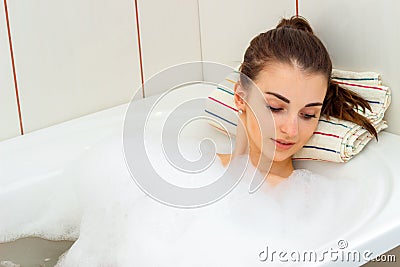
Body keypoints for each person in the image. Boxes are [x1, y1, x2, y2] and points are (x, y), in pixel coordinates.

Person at [218, 16, 377, 186]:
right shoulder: (197, 173)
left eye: (308, 115)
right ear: (240, 97)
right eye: (275, 108)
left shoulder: (312, 202)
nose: (291, 130)